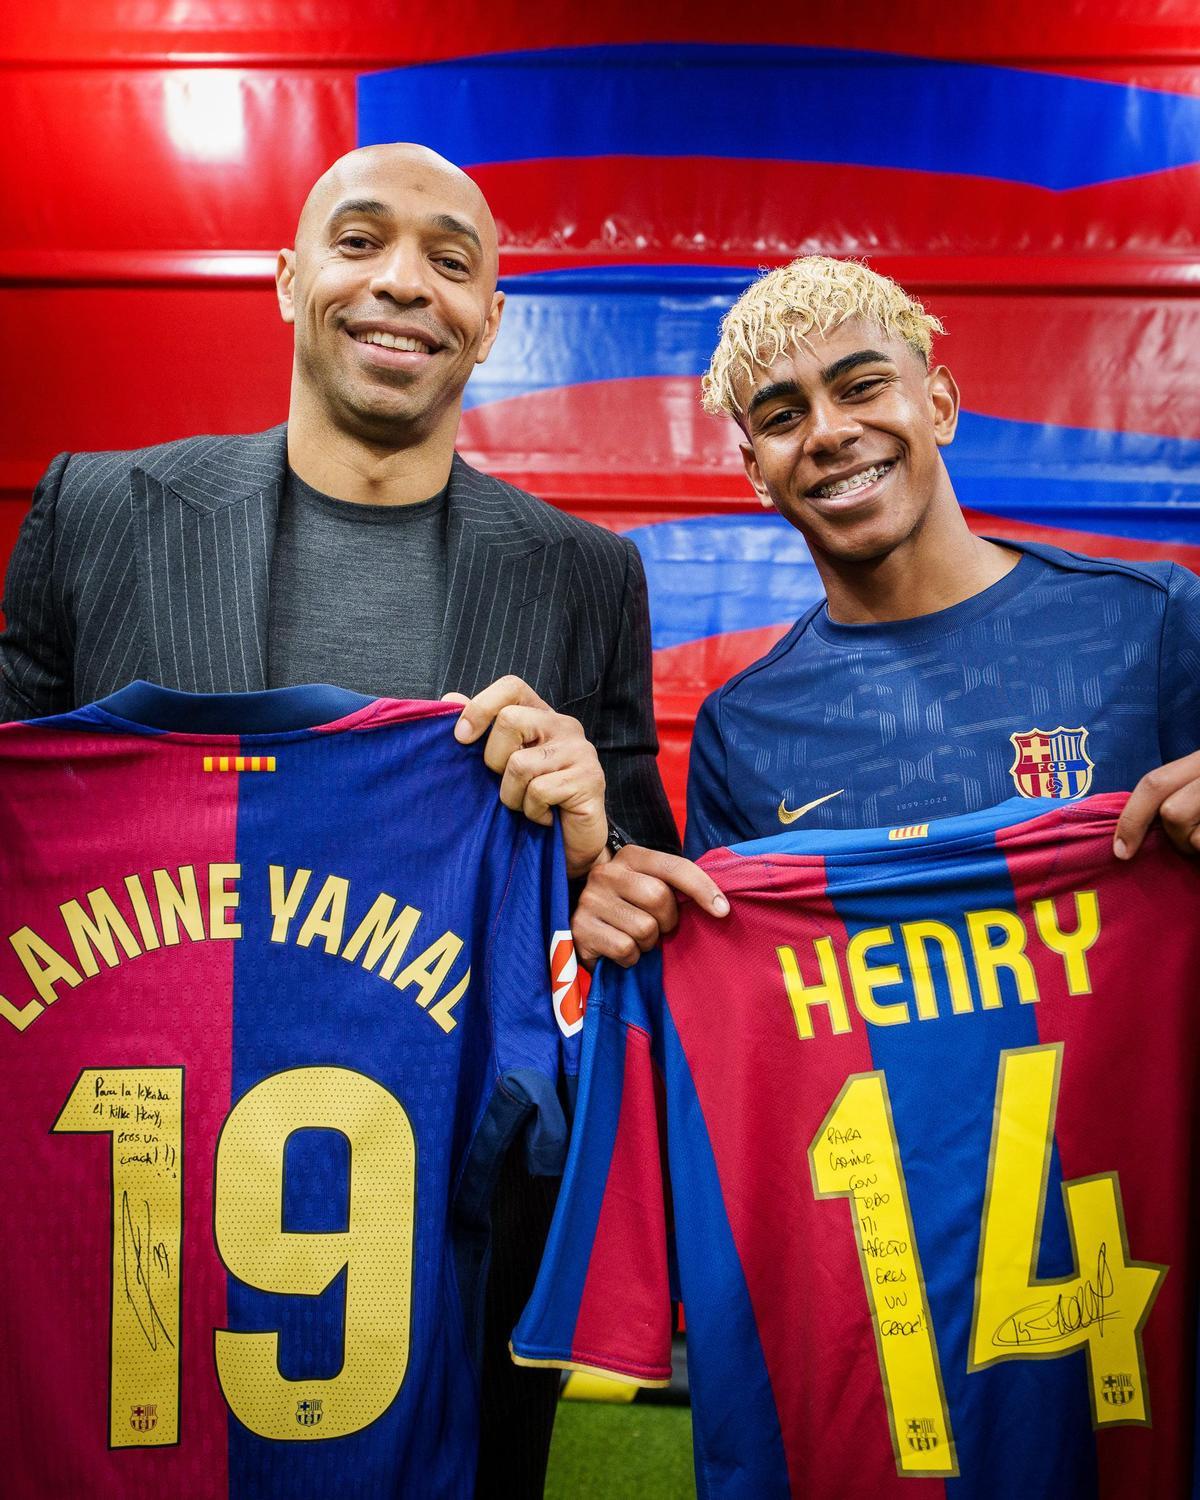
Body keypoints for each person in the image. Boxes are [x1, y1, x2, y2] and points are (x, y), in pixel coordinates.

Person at [0, 141, 677, 1495]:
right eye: (361, 241)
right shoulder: (97, 515)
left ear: (491, 321)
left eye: (453, 261)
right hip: (119, 1217)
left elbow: (634, 924)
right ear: (288, 276)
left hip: (445, 1256)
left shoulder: (587, 575)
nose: (404, 284)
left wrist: (601, 853)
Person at [572, 254, 1200, 967]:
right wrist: (619, 923)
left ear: (939, 406)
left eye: (863, 386)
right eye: (784, 416)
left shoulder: (1152, 622)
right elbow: (744, 1001)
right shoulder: (743, 729)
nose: (829, 433)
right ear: (756, 473)